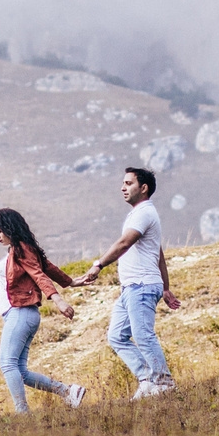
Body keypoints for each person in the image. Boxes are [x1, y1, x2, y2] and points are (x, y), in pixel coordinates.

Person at [76, 165, 179, 397]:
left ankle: (164, 383)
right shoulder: (138, 214)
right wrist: (165, 288)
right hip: (132, 288)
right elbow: (159, 254)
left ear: (143, 188)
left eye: (129, 183)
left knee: (143, 335)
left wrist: (98, 265)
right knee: (117, 336)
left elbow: (124, 243)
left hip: (141, 286)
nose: (123, 187)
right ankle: (147, 379)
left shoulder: (144, 212)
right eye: (123, 183)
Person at [0, 207, 86, 411]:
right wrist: (70, 282)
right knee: (20, 372)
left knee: (7, 364)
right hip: (20, 315)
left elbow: (39, 275)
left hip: (21, 313)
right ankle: (68, 392)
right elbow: (47, 267)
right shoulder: (20, 249)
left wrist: (58, 300)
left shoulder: (21, 249)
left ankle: (22, 413)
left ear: (9, 227)